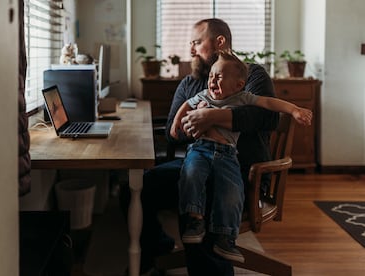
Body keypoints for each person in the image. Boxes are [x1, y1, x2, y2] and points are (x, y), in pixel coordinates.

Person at [120, 18, 280, 275]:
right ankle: (158, 249)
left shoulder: (251, 75)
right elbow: (173, 132)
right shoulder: (190, 84)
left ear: (219, 42)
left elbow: (268, 117)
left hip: (242, 170)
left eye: (196, 42)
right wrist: (195, 122)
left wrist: (213, 117)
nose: (191, 50)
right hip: (197, 162)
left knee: (201, 198)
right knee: (135, 188)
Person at [170, 51, 312, 263]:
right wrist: (175, 124)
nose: (212, 81)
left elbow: (270, 104)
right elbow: (185, 105)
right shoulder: (203, 96)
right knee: (191, 175)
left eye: (219, 77)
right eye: (211, 77)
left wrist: (294, 110)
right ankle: (195, 220)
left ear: (238, 85)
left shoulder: (242, 98)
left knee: (232, 191)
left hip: (227, 155)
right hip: (200, 150)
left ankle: (226, 239)